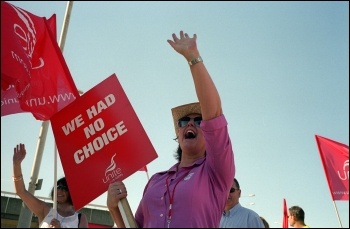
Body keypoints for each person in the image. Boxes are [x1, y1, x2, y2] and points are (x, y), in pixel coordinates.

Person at [106, 30, 235, 228]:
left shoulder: (215, 173)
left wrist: (193, 58)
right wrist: (114, 208)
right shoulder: (156, 181)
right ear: (178, 133)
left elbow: (215, 114)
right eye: (183, 122)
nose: (190, 124)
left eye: (198, 121)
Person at [12, 143, 89, 228]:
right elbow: (21, 191)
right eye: (58, 187)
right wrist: (16, 165)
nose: (59, 190)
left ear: (72, 192)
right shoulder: (45, 210)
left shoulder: (80, 219)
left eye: (64, 188)